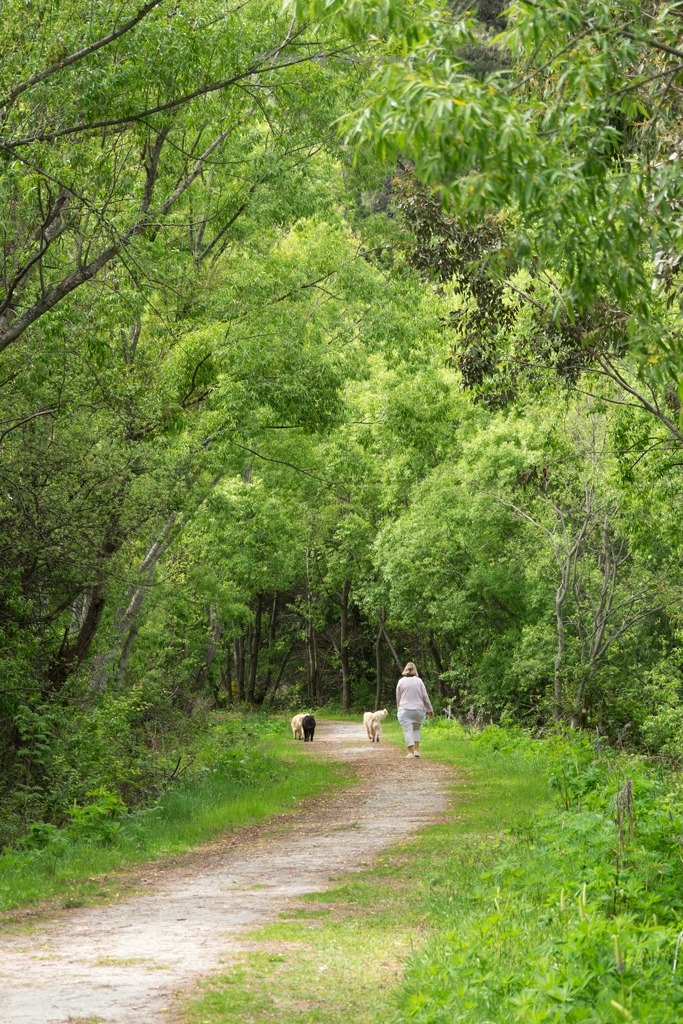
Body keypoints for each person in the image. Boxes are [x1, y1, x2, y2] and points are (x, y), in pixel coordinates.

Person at [396, 661, 434, 759]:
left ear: (405, 670)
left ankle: (410, 752)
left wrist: (399, 708)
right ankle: (416, 750)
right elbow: (425, 697)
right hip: (418, 710)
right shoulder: (419, 681)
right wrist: (430, 709)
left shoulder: (401, 681)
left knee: (407, 730)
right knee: (416, 729)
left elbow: (398, 697)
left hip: (404, 710)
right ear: (415, 670)